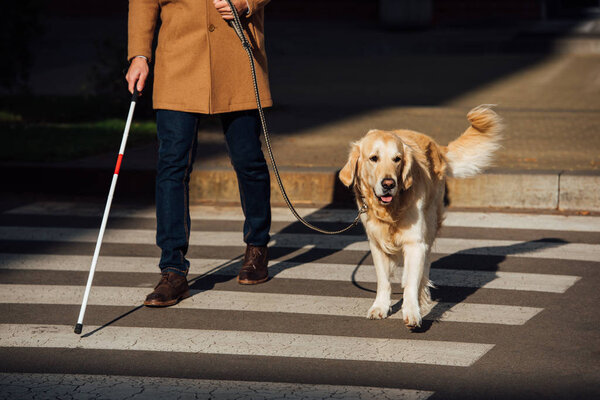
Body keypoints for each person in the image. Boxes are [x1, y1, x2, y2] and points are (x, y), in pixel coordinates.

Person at [126, 0, 273, 307]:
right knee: (172, 166)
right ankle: (173, 270)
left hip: (237, 51)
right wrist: (140, 54)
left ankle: (257, 246)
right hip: (178, 59)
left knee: (248, 160)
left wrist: (248, 3)